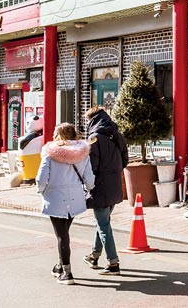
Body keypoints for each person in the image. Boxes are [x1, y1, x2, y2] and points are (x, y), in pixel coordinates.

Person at [37, 122, 95, 285]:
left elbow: (41, 178)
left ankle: (67, 273)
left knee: (62, 235)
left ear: (58, 135)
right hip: (75, 197)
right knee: (64, 234)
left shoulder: (49, 153)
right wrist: (89, 188)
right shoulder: (83, 153)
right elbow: (89, 178)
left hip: (55, 197)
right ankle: (60, 266)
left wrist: (41, 190)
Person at [82, 106, 128, 275]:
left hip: (100, 185)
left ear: (92, 120)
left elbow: (92, 166)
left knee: (103, 224)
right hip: (114, 184)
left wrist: (87, 184)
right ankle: (94, 255)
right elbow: (125, 159)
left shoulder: (95, 138)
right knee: (104, 222)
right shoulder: (117, 134)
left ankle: (113, 263)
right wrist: (114, 172)